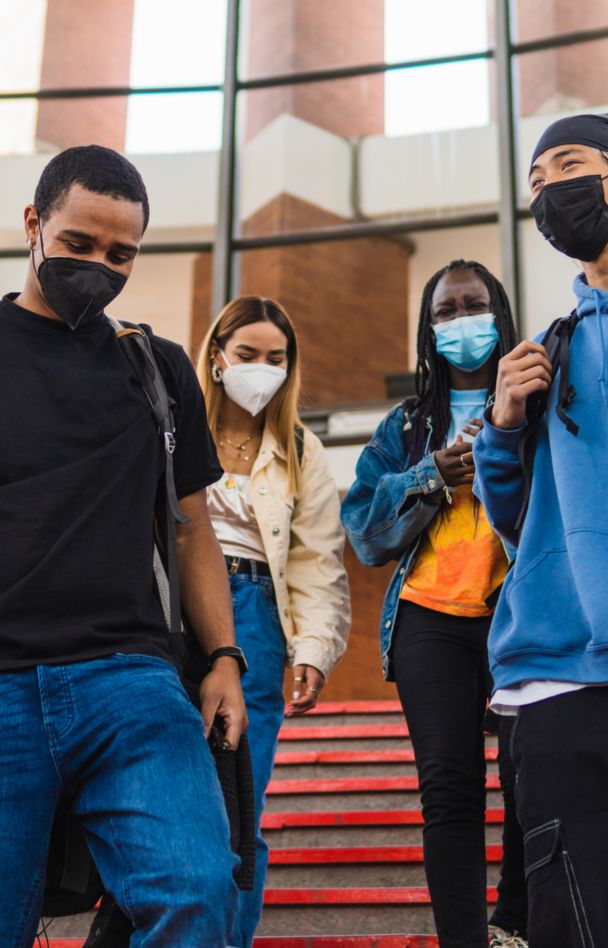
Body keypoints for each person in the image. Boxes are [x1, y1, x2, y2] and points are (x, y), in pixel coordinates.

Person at [0, 145, 246, 947]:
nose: (100, 268)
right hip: (2, 680)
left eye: (121, 254)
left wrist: (223, 660)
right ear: (33, 225)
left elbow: (192, 526)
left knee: (198, 895)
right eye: (79, 245)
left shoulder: (158, 367)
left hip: (131, 682)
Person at [472, 111, 608, 946]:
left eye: (566, 166)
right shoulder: (545, 350)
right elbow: (515, 519)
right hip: (559, 681)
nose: (548, 192)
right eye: (534, 182)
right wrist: (503, 423)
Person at [341, 260, 527, 948]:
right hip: (429, 620)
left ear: (499, 313)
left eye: (472, 306)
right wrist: (430, 475)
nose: (459, 323)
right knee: (448, 790)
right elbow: (362, 531)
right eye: (445, 313)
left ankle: (515, 924)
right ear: (428, 328)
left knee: (528, 774)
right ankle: (465, 941)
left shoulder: (535, 397)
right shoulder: (407, 424)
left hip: (521, 613)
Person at [196, 295, 350, 946]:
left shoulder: (299, 448)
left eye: (277, 359)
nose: (262, 369)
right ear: (217, 355)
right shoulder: (176, 425)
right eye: (248, 355)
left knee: (241, 803)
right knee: (170, 802)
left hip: (258, 619)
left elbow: (319, 559)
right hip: (174, 617)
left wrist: (313, 648)